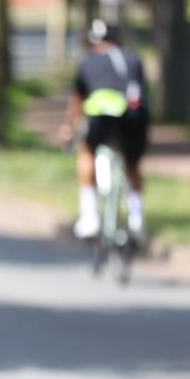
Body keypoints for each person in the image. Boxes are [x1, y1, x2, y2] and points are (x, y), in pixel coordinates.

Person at [60, 19, 150, 240]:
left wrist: (68, 127)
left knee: (87, 152)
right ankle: (136, 217)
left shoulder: (87, 62)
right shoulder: (134, 59)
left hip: (102, 114)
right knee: (133, 163)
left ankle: (89, 215)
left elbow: (77, 101)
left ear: (93, 42)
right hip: (134, 113)